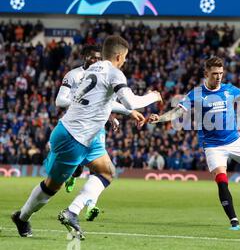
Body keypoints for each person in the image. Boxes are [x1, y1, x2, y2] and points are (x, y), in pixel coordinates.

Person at [11, 35, 162, 239]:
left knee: (107, 172)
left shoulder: (92, 69)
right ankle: (22, 217)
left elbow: (101, 101)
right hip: (73, 137)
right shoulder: (114, 73)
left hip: (86, 135)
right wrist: (153, 96)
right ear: (119, 56)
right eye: (125, 57)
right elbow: (131, 101)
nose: (125, 61)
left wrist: (123, 114)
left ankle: (72, 212)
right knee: (52, 186)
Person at [148, 56, 240, 230]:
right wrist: (160, 118)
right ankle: (234, 220)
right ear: (206, 74)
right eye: (215, 74)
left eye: (221, 73)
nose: (218, 77)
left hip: (234, 141)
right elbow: (177, 112)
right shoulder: (196, 94)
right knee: (222, 180)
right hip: (213, 146)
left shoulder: (229, 90)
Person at [55, 44, 119, 221]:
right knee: (79, 169)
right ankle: (73, 176)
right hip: (76, 126)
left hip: (96, 126)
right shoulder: (74, 75)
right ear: (84, 57)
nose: (96, 60)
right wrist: (81, 103)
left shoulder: (104, 75)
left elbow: (103, 102)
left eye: (99, 58)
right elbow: (60, 100)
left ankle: (90, 206)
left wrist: (111, 117)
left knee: (101, 169)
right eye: (92, 57)